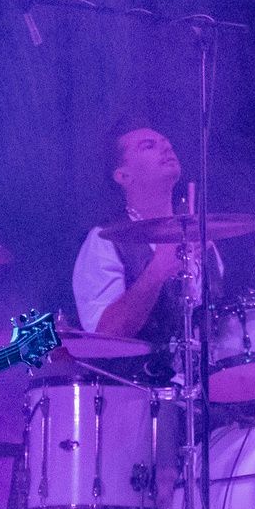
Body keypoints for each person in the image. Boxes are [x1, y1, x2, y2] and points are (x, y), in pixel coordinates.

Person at [72, 123, 200, 370]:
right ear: (123, 175)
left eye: (167, 144)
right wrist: (157, 270)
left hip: (200, 398)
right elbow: (104, 337)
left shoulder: (200, 236)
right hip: (136, 397)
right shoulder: (105, 241)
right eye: (148, 146)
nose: (165, 148)